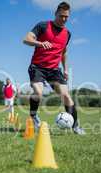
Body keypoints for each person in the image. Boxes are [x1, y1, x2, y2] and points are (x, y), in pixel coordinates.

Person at [23, 1, 85, 135]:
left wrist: (66, 69)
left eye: (66, 17)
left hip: (54, 70)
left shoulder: (67, 34)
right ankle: (33, 116)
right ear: (56, 13)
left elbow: (64, 52)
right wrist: (39, 43)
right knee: (38, 92)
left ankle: (75, 126)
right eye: (61, 16)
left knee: (67, 96)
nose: (63, 19)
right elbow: (26, 39)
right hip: (37, 67)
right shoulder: (43, 26)